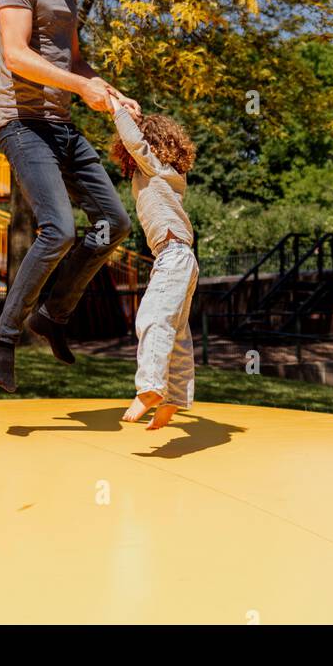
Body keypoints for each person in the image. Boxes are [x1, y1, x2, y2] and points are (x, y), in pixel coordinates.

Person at [0, 0, 140, 393]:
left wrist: (113, 94)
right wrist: (80, 87)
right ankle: (5, 337)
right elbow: (15, 55)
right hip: (24, 125)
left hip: (62, 127)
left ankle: (53, 315)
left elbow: (75, 64)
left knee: (113, 222)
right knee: (59, 230)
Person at [107, 92, 198, 430]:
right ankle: (174, 398)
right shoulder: (170, 173)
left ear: (152, 145)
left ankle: (150, 387)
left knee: (152, 318)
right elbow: (136, 146)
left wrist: (117, 110)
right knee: (177, 334)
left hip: (173, 258)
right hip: (182, 259)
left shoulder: (156, 168)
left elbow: (134, 142)